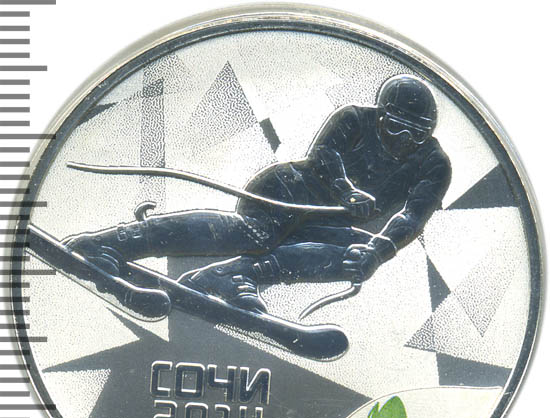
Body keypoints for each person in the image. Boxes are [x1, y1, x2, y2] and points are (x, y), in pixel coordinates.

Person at [64, 74, 451, 315]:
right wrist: (346, 191)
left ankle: (235, 276)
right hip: (287, 194)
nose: (404, 141)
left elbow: (412, 217)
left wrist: (377, 252)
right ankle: (113, 242)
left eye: (416, 134)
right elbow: (324, 156)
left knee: (354, 258)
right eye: (395, 126)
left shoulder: (434, 163)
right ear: (380, 114)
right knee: (256, 234)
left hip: (326, 227)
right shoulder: (354, 118)